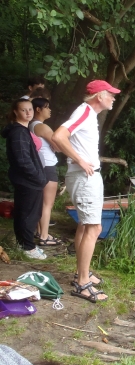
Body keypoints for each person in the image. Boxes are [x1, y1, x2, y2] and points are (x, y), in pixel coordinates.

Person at [52, 80, 120, 303]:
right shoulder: (85, 112)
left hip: (88, 175)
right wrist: (80, 160)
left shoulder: (88, 114)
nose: (113, 98)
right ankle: (82, 284)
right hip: (84, 176)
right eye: (111, 94)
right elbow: (58, 136)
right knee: (94, 226)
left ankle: (83, 272)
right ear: (99, 96)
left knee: (85, 224)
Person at [1, 99, 48, 259]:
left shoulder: (22, 130)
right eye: (23, 110)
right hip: (27, 181)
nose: (28, 113)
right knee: (29, 214)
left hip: (28, 180)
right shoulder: (18, 132)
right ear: (16, 112)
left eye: (30, 109)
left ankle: (23, 244)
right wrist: (38, 178)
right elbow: (23, 160)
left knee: (25, 213)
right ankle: (27, 247)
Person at [30, 98, 62, 246]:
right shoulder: (42, 127)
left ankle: (39, 231)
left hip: (39, 166)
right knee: (47, 204)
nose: (49, 110)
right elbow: (59, 146)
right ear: (38, 109)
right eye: (47, 107)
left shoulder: (30, 125)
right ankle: (44, 235)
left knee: (40, 202)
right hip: (48, 166)